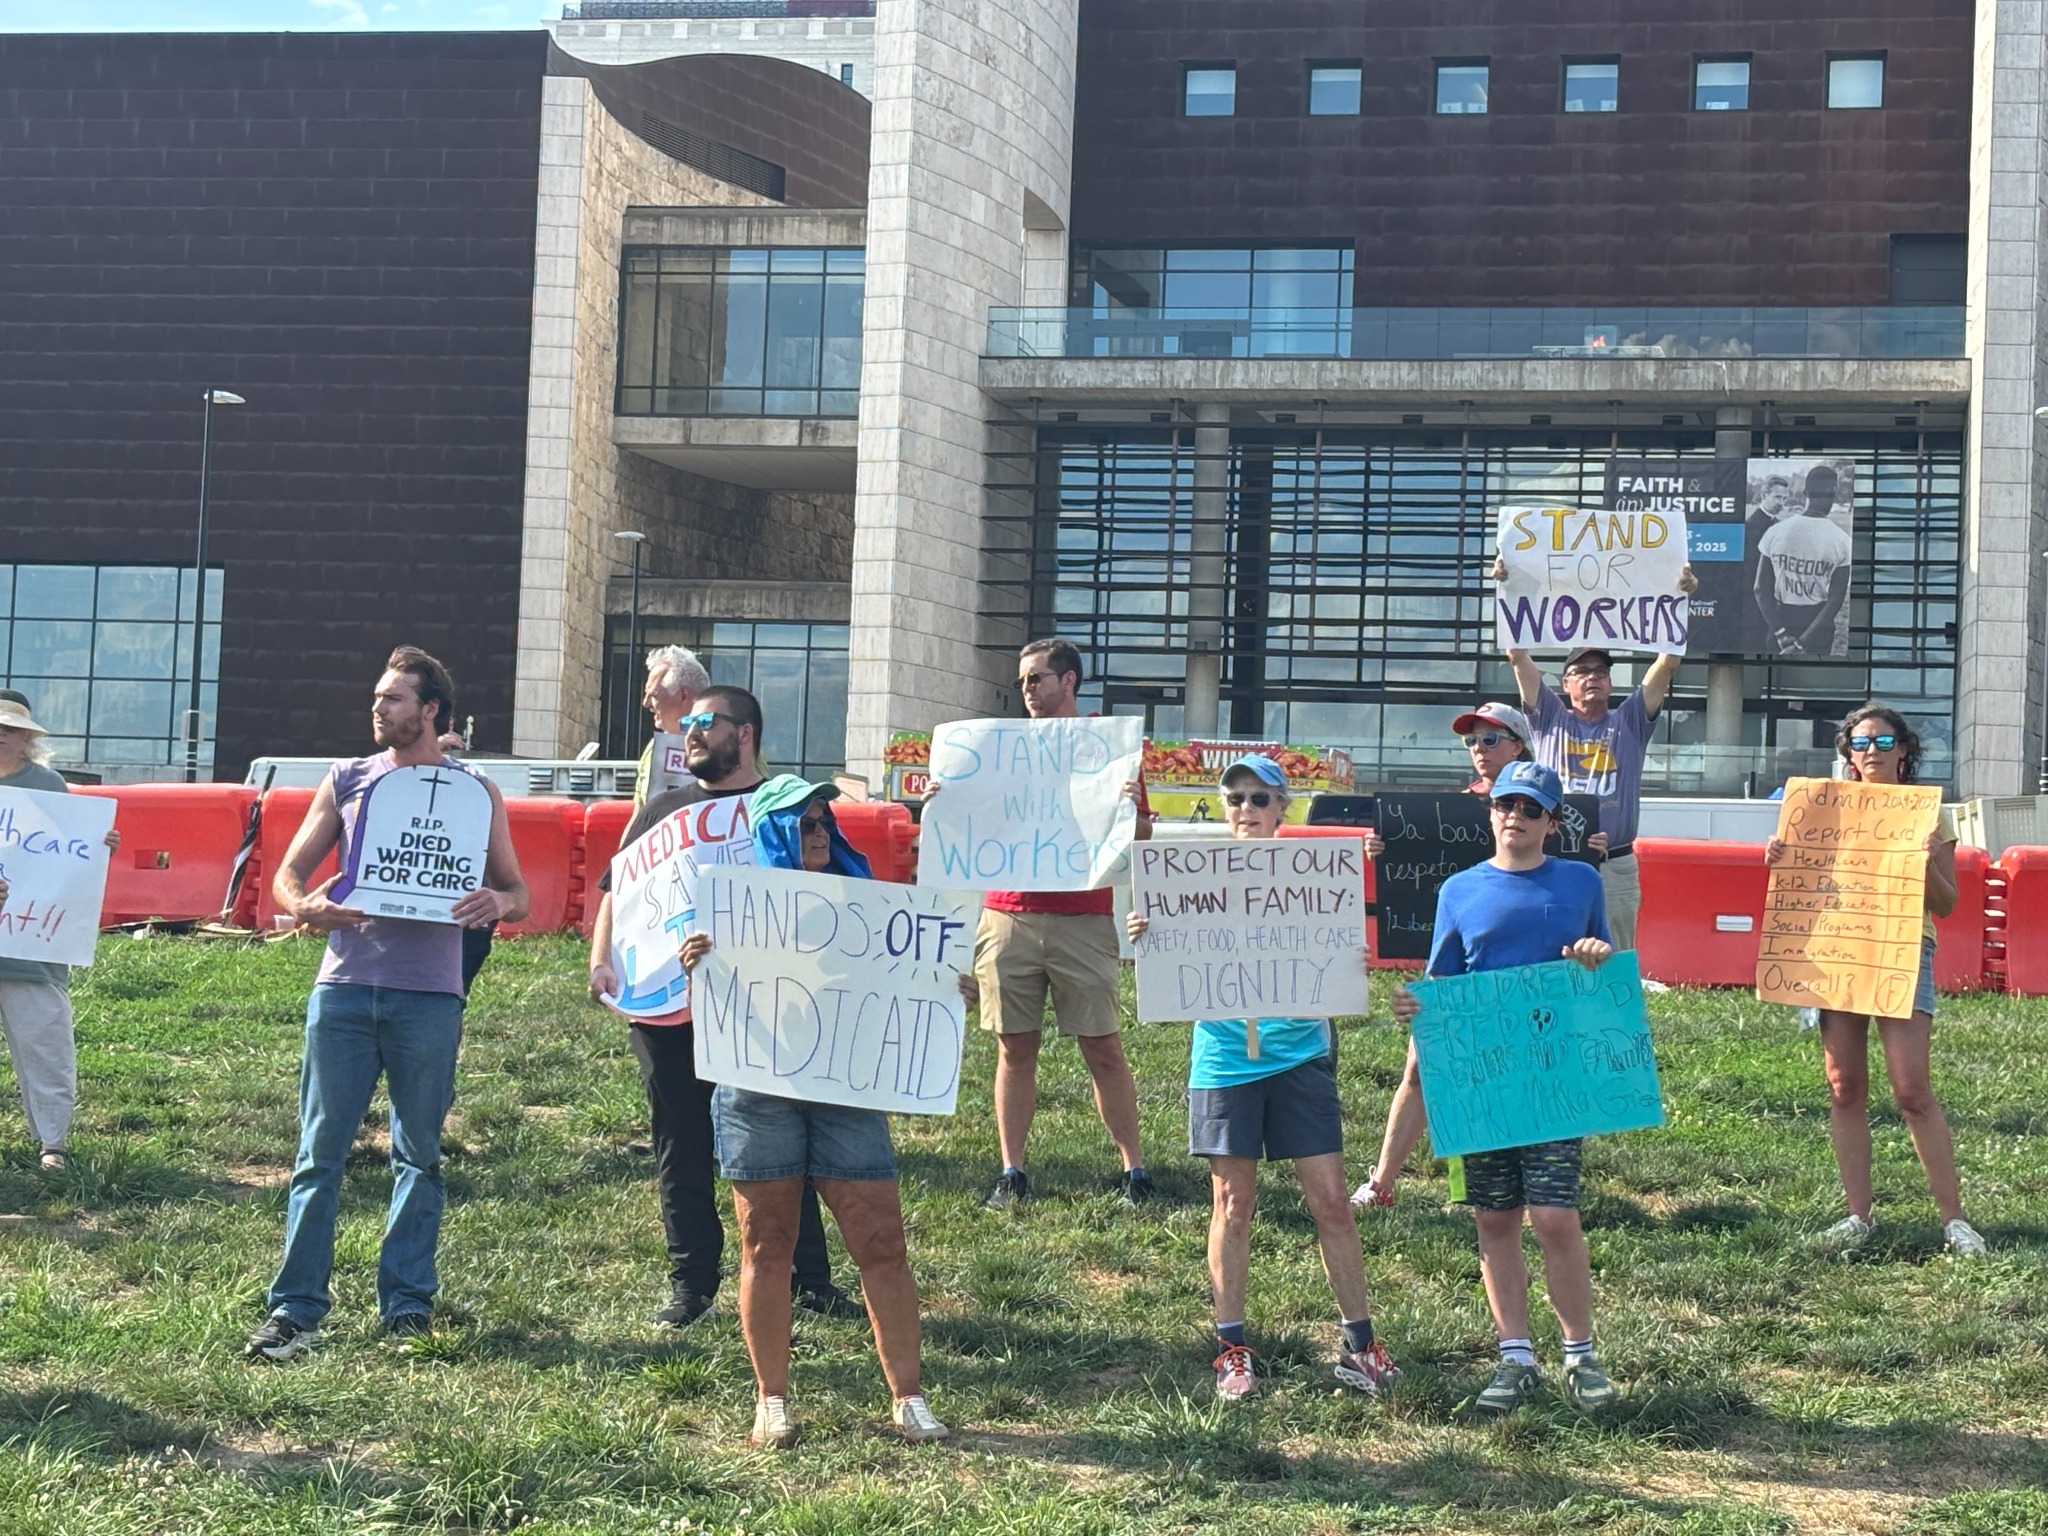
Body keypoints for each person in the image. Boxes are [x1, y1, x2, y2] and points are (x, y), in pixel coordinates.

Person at [246, 648, 530, 1360]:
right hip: (343, 988)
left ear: (431, 710)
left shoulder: (474, 792)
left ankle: (406, 1307)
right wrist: (305, 906)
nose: (379, 708)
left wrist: (498, 902)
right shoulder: (347, 777)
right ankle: (295, 1310)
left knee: (420, 1156)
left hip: (430, 995)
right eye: (378, 696)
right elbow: (287, 874)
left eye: (394, 698)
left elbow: (518, 892)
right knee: (318, 1154)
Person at [678, 774, 961, 1446]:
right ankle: (771, 1400)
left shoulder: (864, 901)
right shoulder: (734, 908)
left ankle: (909, 1398)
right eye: (804, 824)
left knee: (882, 1241)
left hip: (846, 1091)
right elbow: (712, 1007)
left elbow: (904, 980)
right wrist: (698, 965)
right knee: (766, 1243)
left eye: (825, 822)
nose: (819, 834)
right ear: (772, 831)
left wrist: (946, 987)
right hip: (758, 1091)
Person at [1126, 756, 1397, 1403]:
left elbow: (1341, 943)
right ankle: (1232, 1349)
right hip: (1224, 1059)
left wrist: (1352, 958)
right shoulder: (1194, 878)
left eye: (1258, 798)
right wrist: (1148, 933)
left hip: (1300, 1056)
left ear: (1281, 808)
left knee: (1332, 1201)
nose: (1244, 808)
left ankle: (1359, 1345)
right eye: (1235, 798)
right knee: (1232, 1203)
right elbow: (1170, 949)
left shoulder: (1311, 878)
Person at [586, 685, 855, 1327]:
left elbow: (833, 883)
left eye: (706, 721)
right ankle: (692, 1285)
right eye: (688, 723)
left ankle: (809, 1279)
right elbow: (618, 893)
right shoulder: (661, 810)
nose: (691, 733)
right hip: (668, 1007)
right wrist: (600, 960)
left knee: (783, 1145)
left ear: (746, 733)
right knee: (680, 1144)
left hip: (766, 1003)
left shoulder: (787, 806)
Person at [1390, 761, 1623, 1415]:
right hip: (1483, 1077)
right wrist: (1415, 1008)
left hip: (1553, 1072)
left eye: (1530, 808)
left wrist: (1594, 958)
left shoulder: (1580, 881)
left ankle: (1580, 1355)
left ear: (1552, 822)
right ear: (1490, 812)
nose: (1515, 816)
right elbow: (1442, 980)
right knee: (1494, 1218)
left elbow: (1602, 965)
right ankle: (1515, 1356)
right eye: (1505, 805)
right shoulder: (1459, 890)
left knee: (1554, 1215)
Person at [1351, 700, 1611, 1212]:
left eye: (1490, 739)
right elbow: (1427, 879)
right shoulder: (1446, 811)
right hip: (1465, 975)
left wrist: (1596, 844)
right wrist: (1382, 849)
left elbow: (1591, 930)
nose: (1478, 748)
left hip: (1537, 1004)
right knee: (1422, 1066)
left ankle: (1534, 1179)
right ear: (1493, 809)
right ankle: (1385, 1181)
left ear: (1518, 746)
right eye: (1471, 740)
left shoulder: (1556, 820)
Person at [1763, 705, 1987, 1256]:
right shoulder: (1822, 809)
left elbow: (1947, 904)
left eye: (1884, 742)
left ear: (1904, 750)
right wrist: (1783, 859)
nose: (1871, 752)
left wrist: (1926, 862)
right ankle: (1857, 1216)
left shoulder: (1929, 814)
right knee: (1844, 1085)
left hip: (1904, 949)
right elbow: (1807, 883)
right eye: (1861, 743)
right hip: (1839, 950)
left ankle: (1955, 1221)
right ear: (1847, 753)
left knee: (1912, 1089)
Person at [966, 638, 1152, 1209]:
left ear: (1069, 681)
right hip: (1008, 914)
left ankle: (1135, 1169)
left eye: (1036, 678)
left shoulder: (1110, 748)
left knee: (1103, 1046)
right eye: (1022, 681)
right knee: (1013, 1049)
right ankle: (1012, 1171)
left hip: (1083, 917)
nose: (1026, 690)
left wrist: (1132, 808)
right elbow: (970, 823)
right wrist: (949, 799)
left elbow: (1141, 837)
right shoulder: (1001, 751)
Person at [0, 691, 120, 1173]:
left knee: (45, 1047)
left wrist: (99, 843)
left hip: (32, 949)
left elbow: (67, 856)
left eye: (9, 727)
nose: (0, 734)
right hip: (28, 937)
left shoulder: (48, 786)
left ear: (27, 738)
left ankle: (53, 1143)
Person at [1754, 464, 1852, 658]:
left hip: (1780, 621)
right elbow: (1836, 598)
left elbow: (1760, 589)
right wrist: (1803, 643)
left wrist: (1781, 633)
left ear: (1805, 492)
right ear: (1834, 493)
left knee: (1772, 675)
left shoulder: (1775, 531)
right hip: (1818, 627)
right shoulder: (1842, 540)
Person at [633, 644, 710, 809]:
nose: (646, 703)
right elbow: (640, 813)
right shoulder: (653, 749)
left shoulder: (733, 742)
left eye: (654, 695)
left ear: (683, 695)